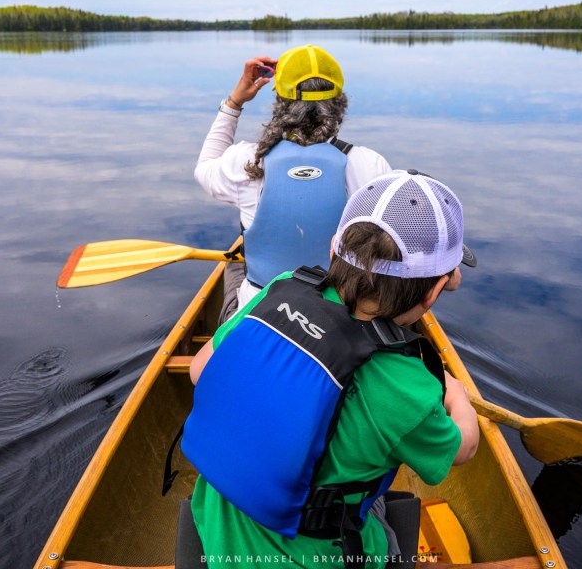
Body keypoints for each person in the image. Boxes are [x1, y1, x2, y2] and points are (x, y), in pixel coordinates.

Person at [182, 170, 480, 569]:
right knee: (381, 538)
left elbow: (199, 370)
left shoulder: (284, 288)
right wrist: (458, 398)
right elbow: (462, 450)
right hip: (313, 558)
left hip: (218, 524)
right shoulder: (407, 387)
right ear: (433, 291)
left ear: (333, 248)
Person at [195, 44, 392, 321]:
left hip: (261, 318)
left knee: (235, 266)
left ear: (280, 103)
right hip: (337, 319)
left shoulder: (248, 161)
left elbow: (204, 167)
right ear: (339, 103)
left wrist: (234, 104)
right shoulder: (369, 164)